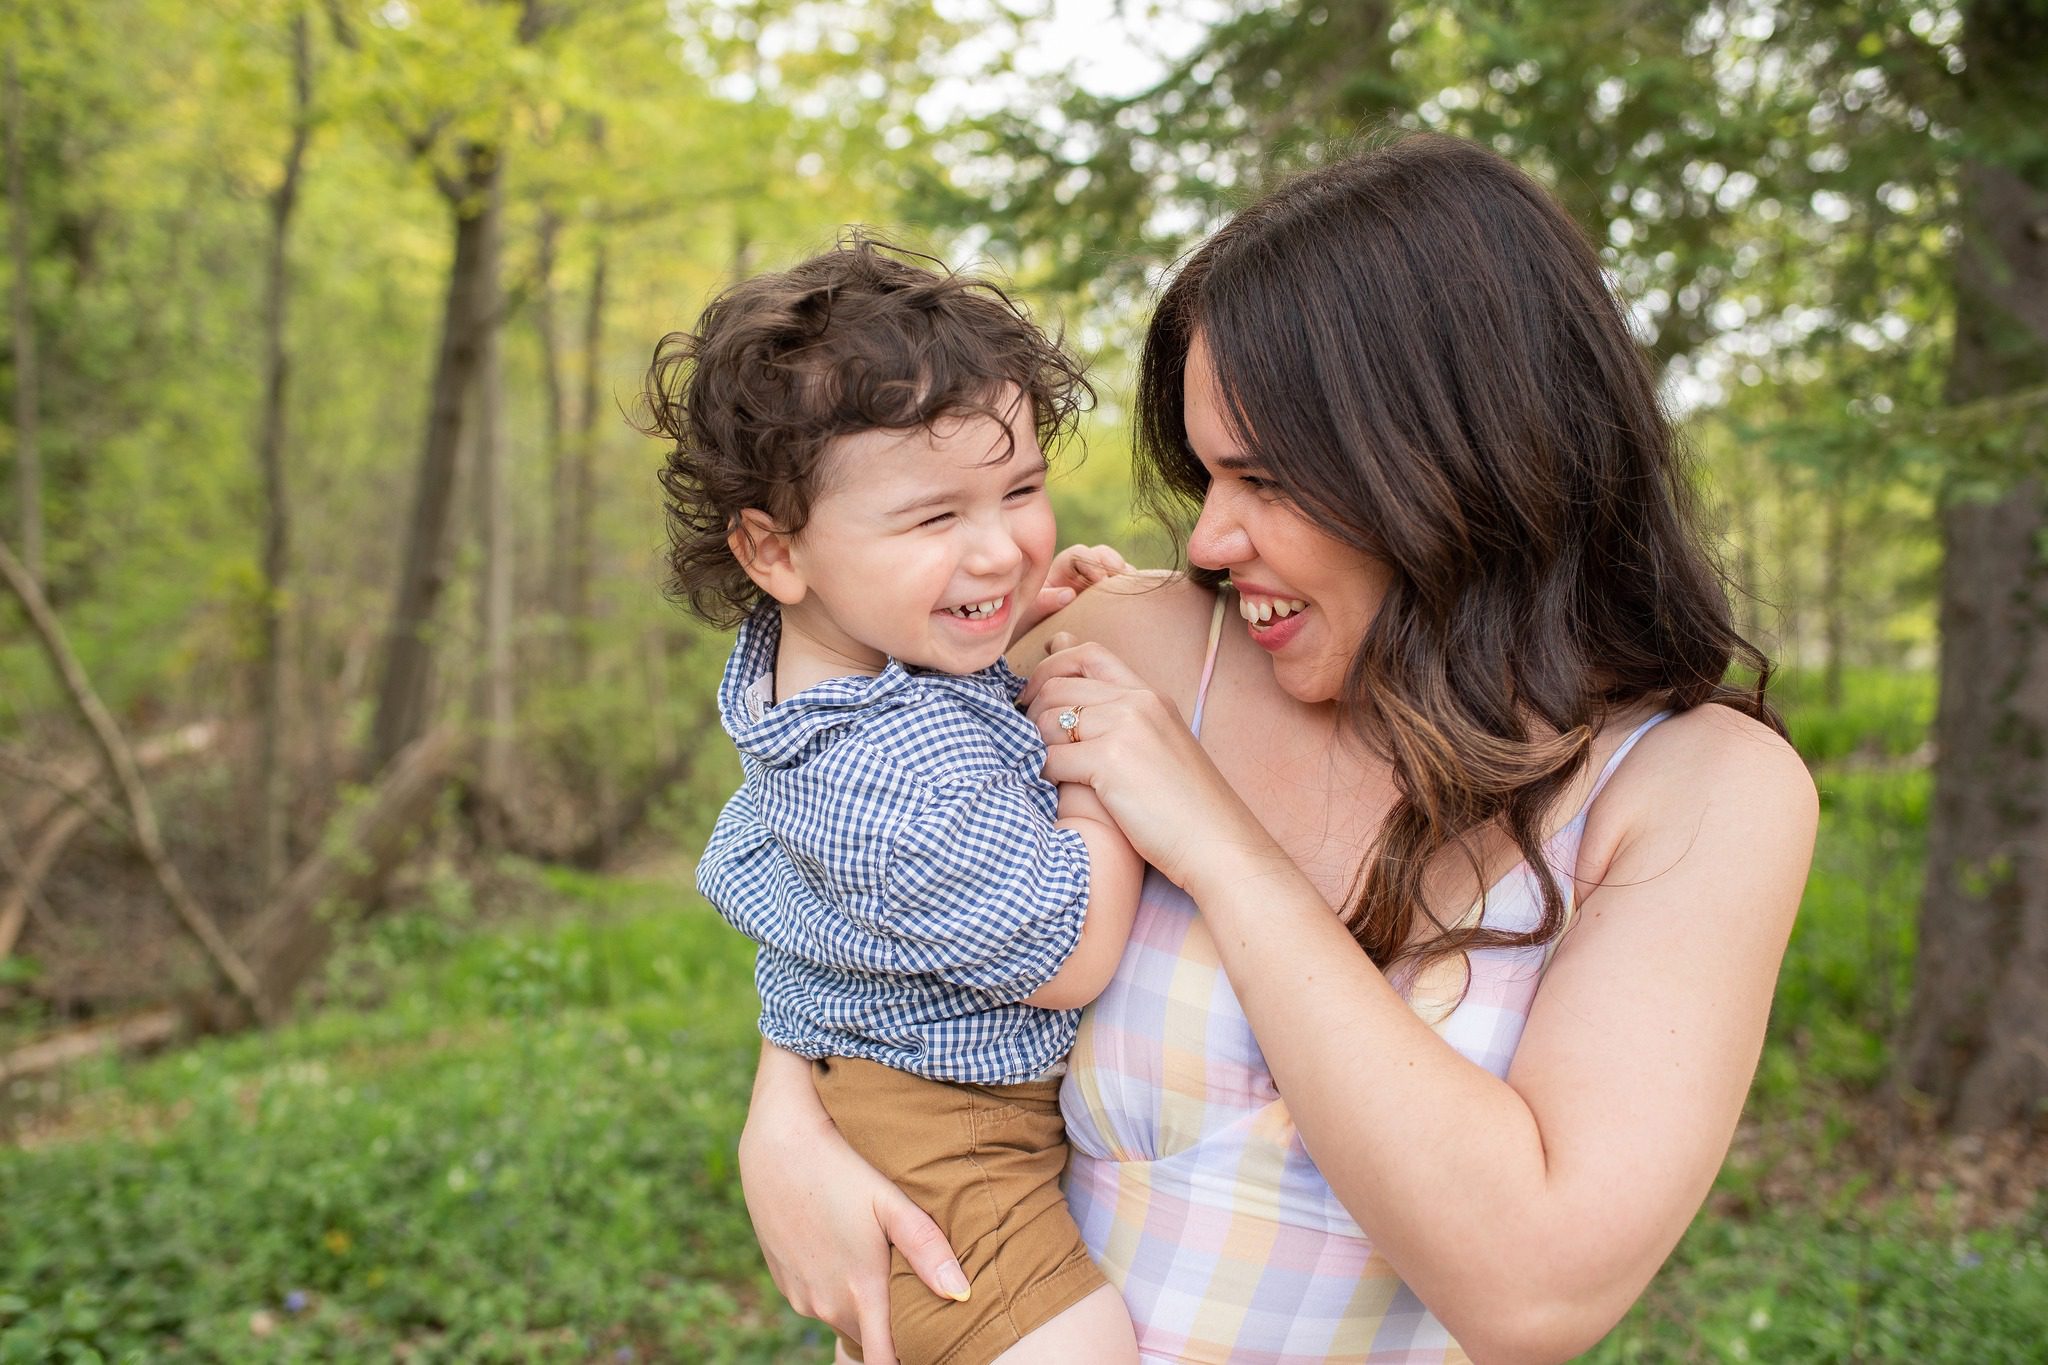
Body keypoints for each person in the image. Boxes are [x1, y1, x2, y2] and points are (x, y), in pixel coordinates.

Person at [737, 132, 1819, 1365]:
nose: (1206, 541)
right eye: (1204, 476)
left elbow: (1535, 1294)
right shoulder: (1127, 653)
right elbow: (861, 853)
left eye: (1263, 480)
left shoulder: (1696, 792)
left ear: (1456, 464)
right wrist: (779, 1116)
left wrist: (1217, 848)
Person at [643, 234, 1144, 1365]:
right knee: (1075, 1349)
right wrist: (1098, 780)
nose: (998, 547)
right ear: (774, 551)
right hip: (940, 1129)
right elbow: (1068, 949)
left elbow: (925, 697)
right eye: (933, 520)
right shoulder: (880, 784)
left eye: (1018, 491)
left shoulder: (834, 657)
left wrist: (1007, 624)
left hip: (902, 1086)